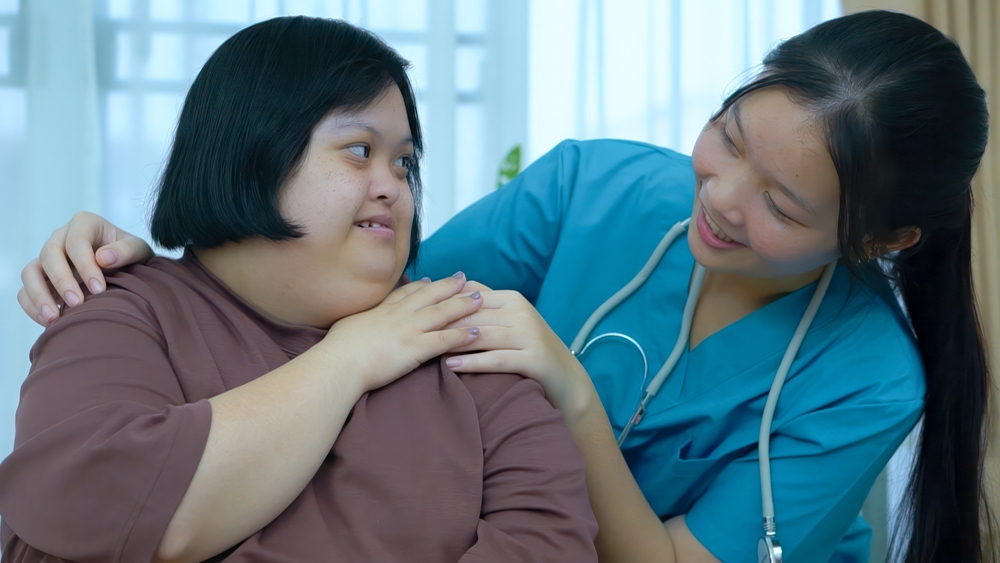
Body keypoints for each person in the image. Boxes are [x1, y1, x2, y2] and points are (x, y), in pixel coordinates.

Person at [14, 10, 994, 563]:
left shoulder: (866, 375)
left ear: (879, 237)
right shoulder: (593, 189)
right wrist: (164, 243)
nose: (723, 197)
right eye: (728, 138)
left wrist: (569, 389)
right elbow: (350, 285)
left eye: (780, 200)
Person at [0, 17, 599, 563]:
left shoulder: (469, 349)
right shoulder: (123, 311)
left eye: (403, 163)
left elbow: (551, 543)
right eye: (360, 151)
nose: (393, 186)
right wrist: (348, 360)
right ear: (250, 151)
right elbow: (96, 505)